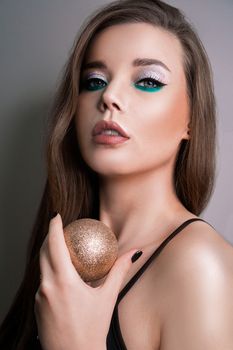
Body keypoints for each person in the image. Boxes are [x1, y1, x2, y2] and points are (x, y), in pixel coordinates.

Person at [1, 0, 233, 349]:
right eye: (94, 81)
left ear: (190, 121)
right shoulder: (60, 249)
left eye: (148, 81)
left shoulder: (199, 266)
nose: (109, 96)